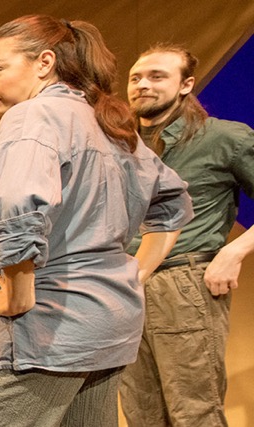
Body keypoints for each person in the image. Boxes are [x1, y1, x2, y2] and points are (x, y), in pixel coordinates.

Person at [0, 15, 193, 426]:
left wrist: (17, 287)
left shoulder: (33, 116)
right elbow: (171, 203)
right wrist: (136, 270)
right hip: (106, 325)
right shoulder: (111, 126)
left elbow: (17, 203)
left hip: (44, 329)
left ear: (44, 62)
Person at [118, 44, 254, 426]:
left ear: (185, 84)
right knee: (141, 416)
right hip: (126, 284)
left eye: (157, 76)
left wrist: (235, 251)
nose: (142, 84)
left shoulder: (224, 138)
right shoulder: (120, 146)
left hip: (184, 281)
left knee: (194, 413)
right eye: (135, 78)